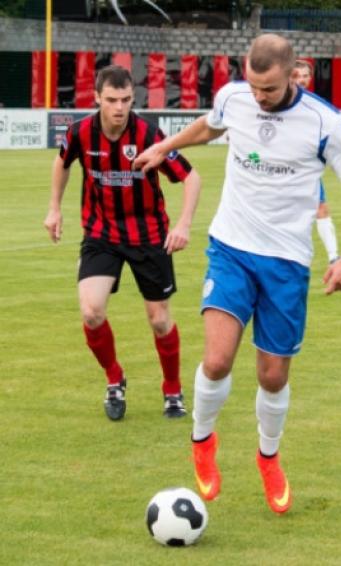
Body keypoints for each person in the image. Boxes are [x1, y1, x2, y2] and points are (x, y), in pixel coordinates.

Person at [133, 34, 341, 514]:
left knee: (271, 376)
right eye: (252, 85)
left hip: (286, 262)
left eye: (268, 89)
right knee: (219, 359)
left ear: (293, 74)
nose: (259, 97)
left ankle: (268, 455)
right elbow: (211, 126)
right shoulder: (235, 97)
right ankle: (202, 441)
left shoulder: (325, 123)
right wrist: (165, 145)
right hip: (232, 248)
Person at [43, 65, 200, 421]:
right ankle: (115, 378)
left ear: (133, 99)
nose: (119, 107)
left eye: (126, 100)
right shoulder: (81, 132)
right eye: (112, 100)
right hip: (101, 235)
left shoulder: (148, 134)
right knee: (91, 311)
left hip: (148, 236)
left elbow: (192, 178)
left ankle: (172, 389)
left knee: (159, 320)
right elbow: (62, 162)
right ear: (97, 97)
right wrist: (54, 209)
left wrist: (184, 224)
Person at [294, 59, 340, 263]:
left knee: (321, 208)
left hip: (305, 168)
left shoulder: (315, 105)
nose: (301, 80)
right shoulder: (277, 102)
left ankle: (333, 256)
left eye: (305, 76)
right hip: (279, 168)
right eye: (297, 76)